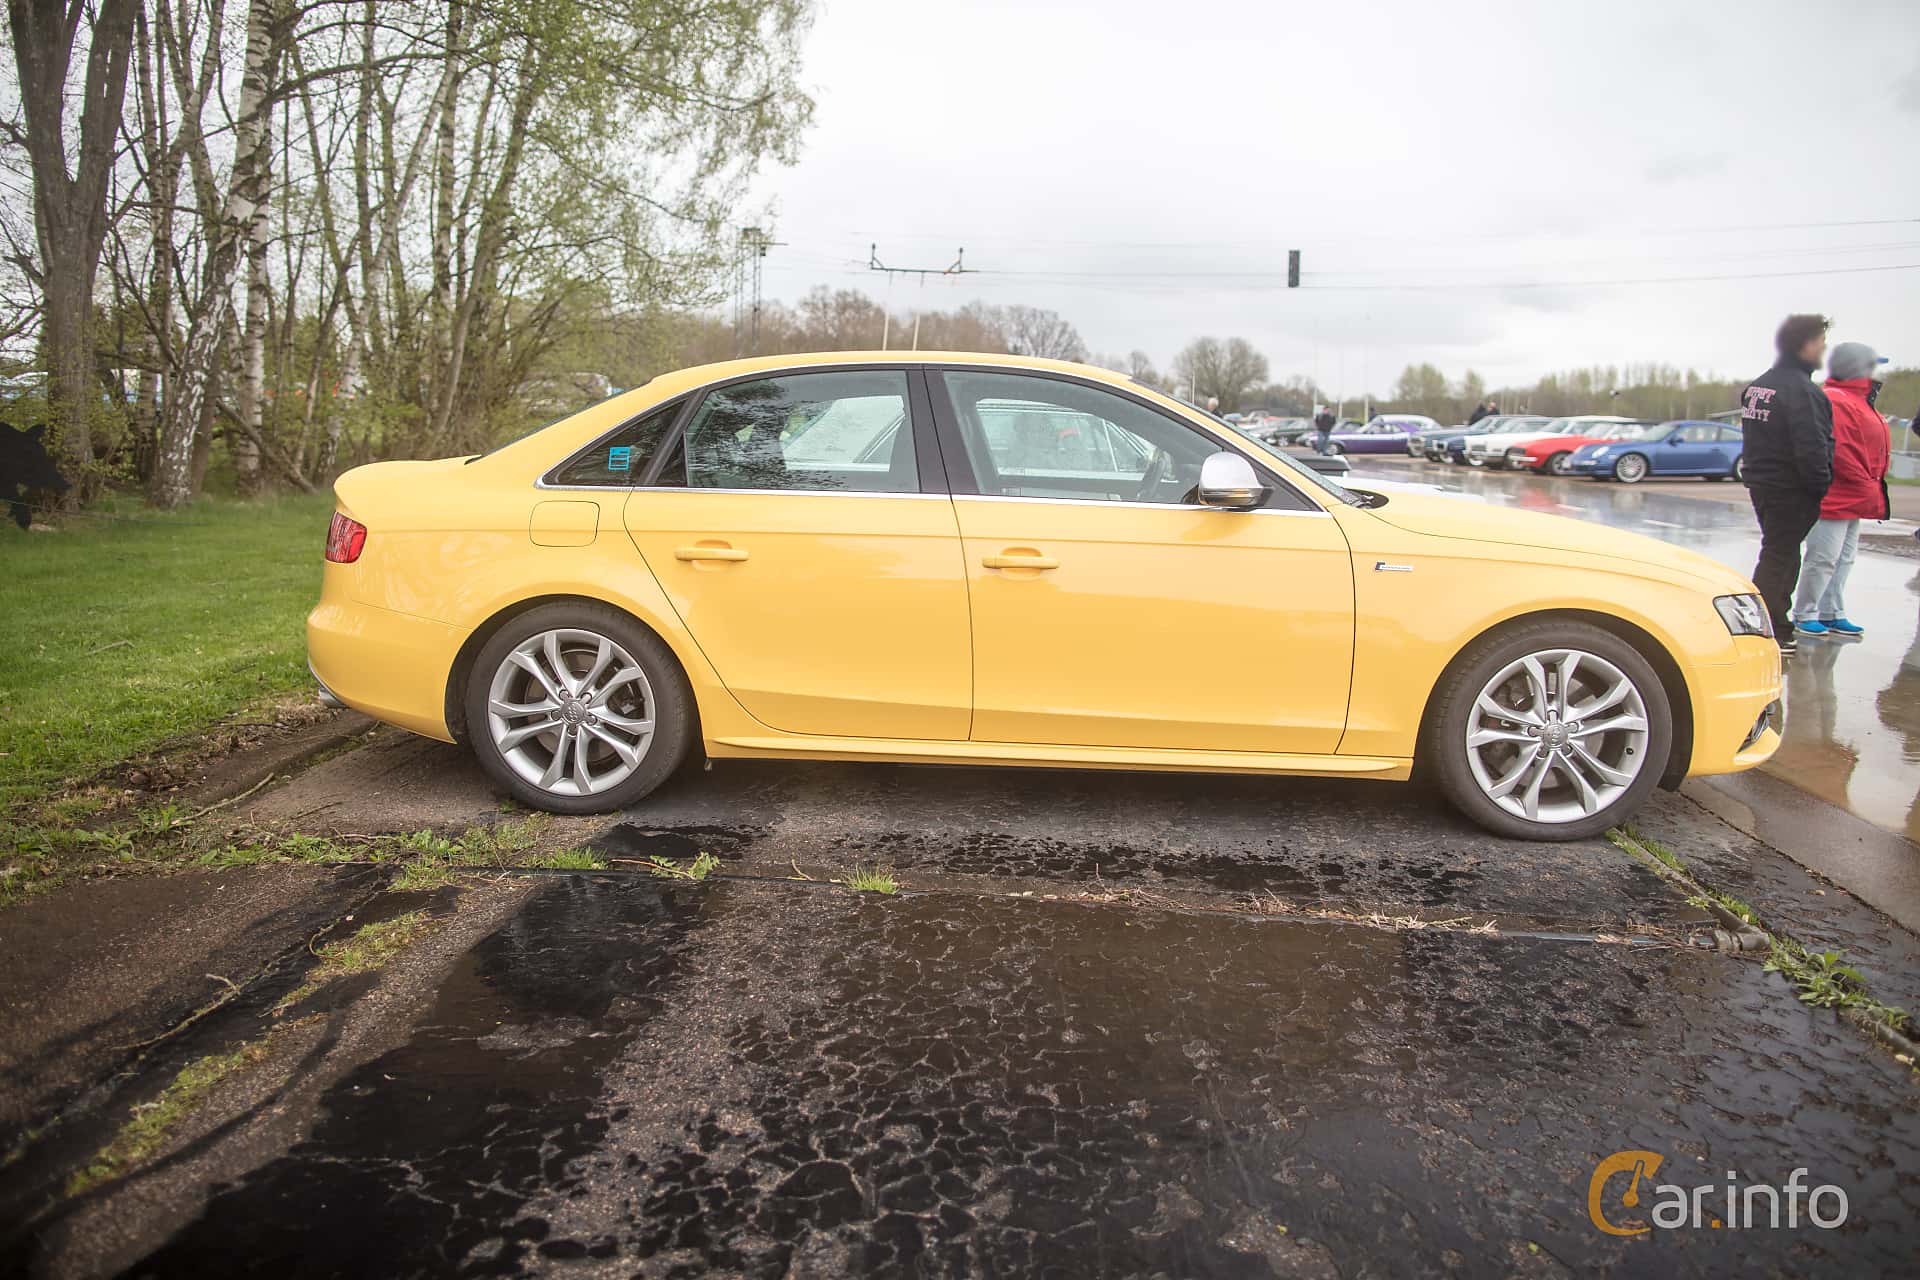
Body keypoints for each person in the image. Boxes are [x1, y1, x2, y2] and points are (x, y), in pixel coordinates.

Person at [1741, 313, 1834, 653]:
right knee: (1779, 555)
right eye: (1821, 343)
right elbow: (1812, 446)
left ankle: (1776, 624)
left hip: (1763, 483)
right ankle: (1767, 629)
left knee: (1780, 551)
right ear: (1805, 345)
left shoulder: (1759, 386)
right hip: (1790, 488)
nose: (1824, 350)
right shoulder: (1802, 392)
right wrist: (1820, 485)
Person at [1792, 342, 1890, 637]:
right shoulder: (1835, 399)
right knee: (1823, 557)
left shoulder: (1859, 399)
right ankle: (1805, 612)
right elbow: (1842, 449)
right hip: (1837, 493)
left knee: (1844, 558)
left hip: (1858, 492)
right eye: (1871, 364)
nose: (1876, 371)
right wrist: (1865, 482)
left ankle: (1832, 611)